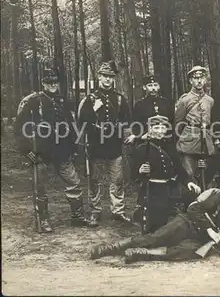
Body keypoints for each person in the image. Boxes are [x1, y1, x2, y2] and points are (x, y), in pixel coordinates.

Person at [89, 178, 220, 264]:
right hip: (186, 224)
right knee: (154, 238)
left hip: (199, 239)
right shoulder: (218, 197)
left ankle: (140, 254)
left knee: (187, 252)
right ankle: (108, 249)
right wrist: (210, 230)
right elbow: (193, 209)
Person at [15, 68, 90, 232]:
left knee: (74, 183)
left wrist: (74, 147)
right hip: (41, 152)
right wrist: (27, 150)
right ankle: (43, 220)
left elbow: (70, 126)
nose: (53, 85)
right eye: (49, 82)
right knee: (40, 187)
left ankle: (77, 217)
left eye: (55, 82)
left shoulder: (62, 101)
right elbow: (19, 127)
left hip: (62, 151)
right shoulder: (34, 101)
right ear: (43, 83)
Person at [77, 61, 132, 226]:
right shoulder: (90, 98)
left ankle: (118, 211)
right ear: (99, 77)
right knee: (95, 180)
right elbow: (81, 121)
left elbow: (127, 120)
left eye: (110, 77)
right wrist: (93, 109)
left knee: (117, 180)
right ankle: (95, 211)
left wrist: (125, 135)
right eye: (105, 76)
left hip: (114, 146)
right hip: (96, 147)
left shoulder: (120, 99)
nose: (107, 80)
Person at [131, 115, 201, 233]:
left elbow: (179, 168)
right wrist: (140, 171)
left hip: (169, 187)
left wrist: (189, 182)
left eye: (163, 128)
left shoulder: (169, 147)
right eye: (156, 128)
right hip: (152, 189)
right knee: (154, 222)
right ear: (150, 129)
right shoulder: (142, 148)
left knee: (187, 200)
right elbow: (133, 174)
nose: (160, 131)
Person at [174, 66, 215, 183]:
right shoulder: (185, 100)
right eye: (195, 78)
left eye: (201, 77)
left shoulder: (210, 100)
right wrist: (181, 139)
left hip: (205, 138)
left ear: (205, 80)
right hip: (189, 139)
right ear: (191, 81)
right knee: (189, 172)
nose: (199, 81)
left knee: (205, 172)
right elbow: (178, 123)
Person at [125, 74, 174, 145]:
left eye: (155, 85)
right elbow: (136, 125)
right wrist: (140, 136)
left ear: (159, 86)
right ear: (144, 87)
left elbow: (172, 121)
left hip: (166, 140)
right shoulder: (139, 105)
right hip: (147, 142)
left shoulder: (167, 103)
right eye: (150, 85)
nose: (153, 88)